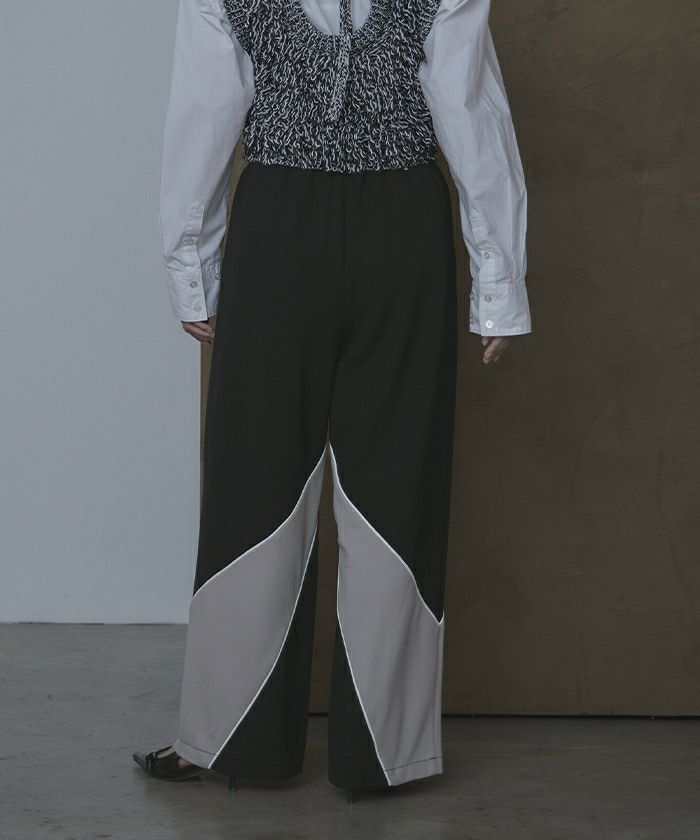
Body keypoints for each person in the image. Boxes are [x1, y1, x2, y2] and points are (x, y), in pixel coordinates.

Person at [133, 0, 531, 800]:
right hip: (395, 228)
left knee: (264, 475)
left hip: (288, 230)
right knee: (382, 475)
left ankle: (238, 741)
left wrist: (191, 265)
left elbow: (204, 114)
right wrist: (498, 283)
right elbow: (470, 115)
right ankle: (380, 753)